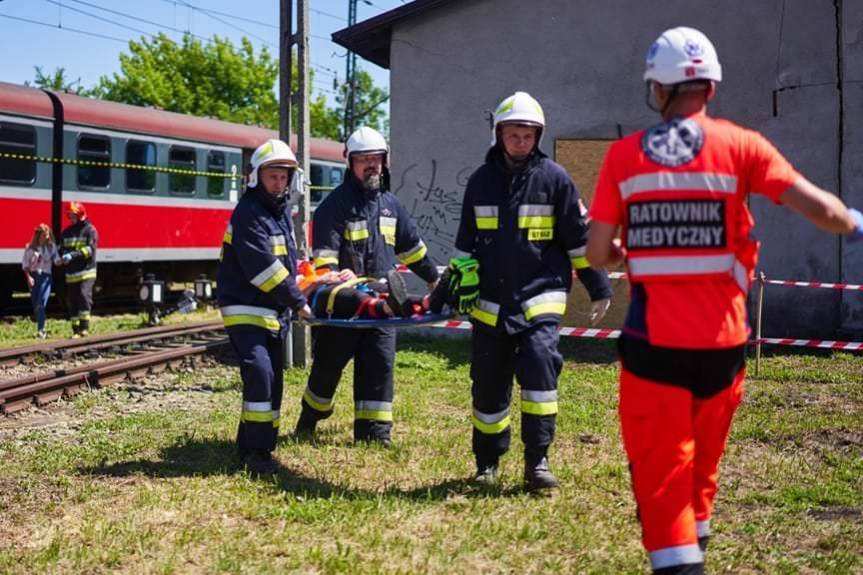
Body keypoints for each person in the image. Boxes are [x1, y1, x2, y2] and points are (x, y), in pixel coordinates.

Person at [585, 26, 863, 575]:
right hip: (723, 348)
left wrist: (629, 251)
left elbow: (597, 253)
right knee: (701, 469)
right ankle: (698, 545)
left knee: (664, 478)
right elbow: (821, 210)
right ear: (709, 88)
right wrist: (855, 222)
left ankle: (680, 564)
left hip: (653, 347)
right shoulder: (741, 146)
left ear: (658, 91)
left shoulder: (623, 157)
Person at [453, 91, 613, 492]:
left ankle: (537, 461)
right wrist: (448, 291)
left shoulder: (554, 179)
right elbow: (464, 248)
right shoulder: (480, 182)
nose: (520, 142)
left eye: (527, 135)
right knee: (488, 386)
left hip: (539, 298)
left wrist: (598, 286)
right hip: (490, 306)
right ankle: (487, 463)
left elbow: (578, 241)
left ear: (538, 136)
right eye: (513, 134)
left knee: (540, 370)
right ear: (499, 134)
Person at [294, 126, 440, 447]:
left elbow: (414, 250)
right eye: (364, 160)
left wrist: (435, 281)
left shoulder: (391, 205)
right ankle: (310, 418)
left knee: (380, 367)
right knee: (327, 371)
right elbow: (324, 262)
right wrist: (334, 274)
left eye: (377, 159)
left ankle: (375, 434)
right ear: (350, 163)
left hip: (385, 307)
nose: (371, 165)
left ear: (385, 162)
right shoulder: (333, 207)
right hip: (345, 308)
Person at [217, 138, 313, 475]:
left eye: (284, 176)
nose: (279, 182)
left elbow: (287, 263)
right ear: (257, 177)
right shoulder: (249, 213)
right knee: (260, 374)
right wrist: (300, 303)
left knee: (272, 382)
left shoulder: (279, 212)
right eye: (273, 176)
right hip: (245, 308)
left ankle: (250, 445)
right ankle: (257, 455)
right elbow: (265, 270)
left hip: (271, 312)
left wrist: (309, 282)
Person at [55, 202, 98, 338]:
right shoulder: (66, 232)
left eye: (73, 215)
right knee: (72, 301)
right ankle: (75, 330)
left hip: (86, 272)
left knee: (84, 297)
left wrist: (71, 256)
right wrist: (60, 257)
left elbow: (90, 250)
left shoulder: (90, 230)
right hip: (71, 274)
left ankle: (84, 328)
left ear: (80, 215)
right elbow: (61, 248)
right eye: (69, 215)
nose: (71, 218)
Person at [22, 223, 58, 339]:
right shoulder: (30, 248)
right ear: (38, 235)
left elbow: (56, 259)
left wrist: (63, 260)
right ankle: (40, 327)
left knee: (41, 302)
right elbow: (25, 265)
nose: (46, 237)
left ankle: (41, 330)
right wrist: (28, 277)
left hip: (46, 276)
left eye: (47, 235)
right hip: (34, 276)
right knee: (36, 305)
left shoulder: (51, 247)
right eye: (43, 235)